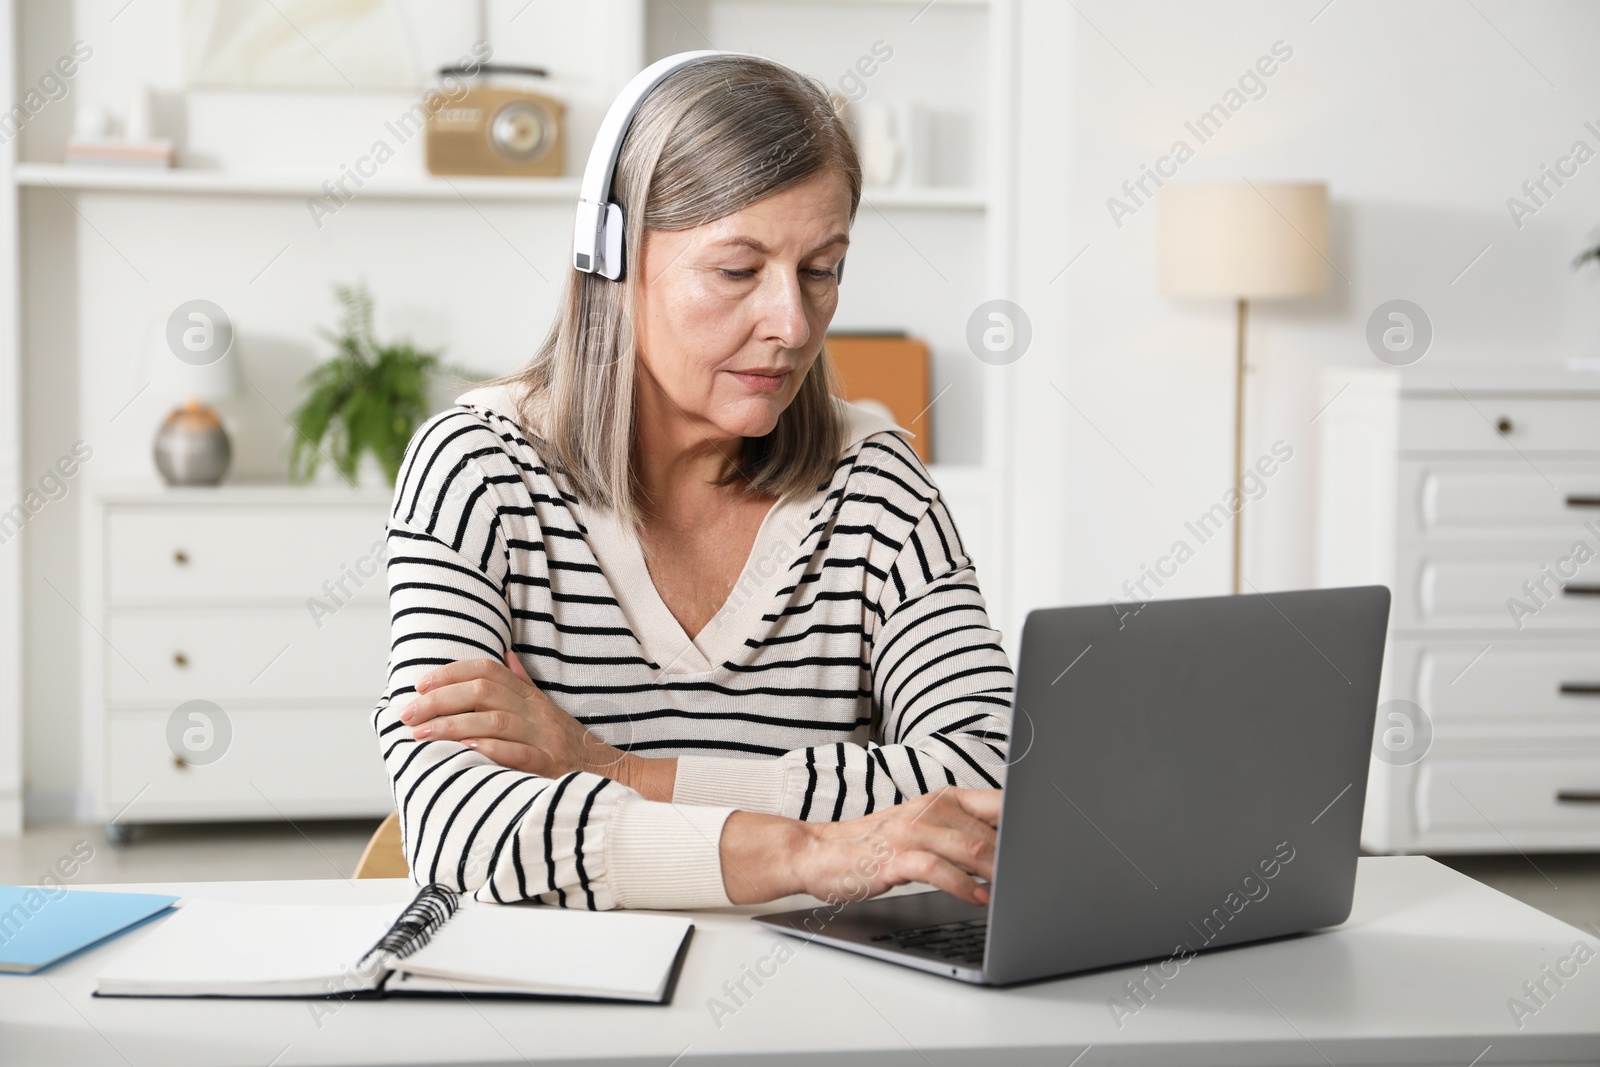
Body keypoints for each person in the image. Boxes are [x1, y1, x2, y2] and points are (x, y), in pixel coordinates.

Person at [373, 54, 1012, 911]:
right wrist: (804, 852)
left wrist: (615, 769)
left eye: (821, 269)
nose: (791, 323)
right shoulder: (476, 471)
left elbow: (991, 777)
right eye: (738, 271)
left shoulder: (877, 484)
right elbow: (463, 830)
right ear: (612, 259)